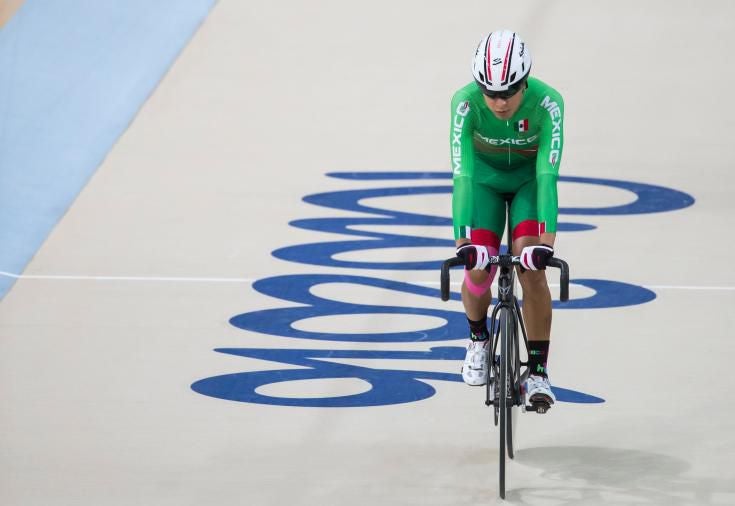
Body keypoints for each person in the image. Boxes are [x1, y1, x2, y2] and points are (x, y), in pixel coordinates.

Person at [450, 29, 564, 410]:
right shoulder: (465, 104)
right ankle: (479, 338)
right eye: (490, 92)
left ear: (525, 81)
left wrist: (546, 242)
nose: (498, 102)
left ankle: (537, 372)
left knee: (531, 268)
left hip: (530, 183)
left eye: (508, 92)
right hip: (482, 183)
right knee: (478, 266)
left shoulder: (548, 104)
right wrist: (462, 241)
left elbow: (548, 175)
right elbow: (462, 174)